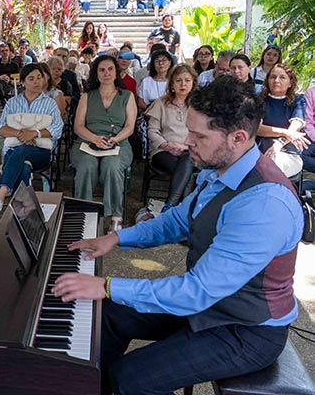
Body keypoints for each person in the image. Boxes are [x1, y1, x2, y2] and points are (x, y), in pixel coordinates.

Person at [54, 76, 301, 395]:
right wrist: (115, 238)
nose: (187, 141)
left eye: (199, 135)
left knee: (129, 378)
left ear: (238, 137)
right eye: (189, 131)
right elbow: (175, 222)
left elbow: (198, 290)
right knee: (108, 314)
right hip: (209, 306)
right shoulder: (220, 170)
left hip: (244, 330)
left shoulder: (265, 203)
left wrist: (107, 285)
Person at [0, 63, 63, 217]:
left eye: (39, 77)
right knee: (23, 166)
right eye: (31, 79)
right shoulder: (13, 102)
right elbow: (0, 129)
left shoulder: (49, 103)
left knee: (21, 151)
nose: (37, 81)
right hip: (16, 152)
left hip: (40, 153)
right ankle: (24, 209)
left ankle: (0, 195)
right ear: (23, 82)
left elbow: (58, 128)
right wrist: (22, 134)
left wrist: (35, 133)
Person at [70, 55, 136, 231]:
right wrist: (94, 139)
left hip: (118, 142)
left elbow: (130, 127)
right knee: (86, 165)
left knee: (111, 165)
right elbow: (78, 126)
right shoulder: (87, 96)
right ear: (96, 73)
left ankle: (115, 216)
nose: (106, 73)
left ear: (116, 72)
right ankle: (84, 213)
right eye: (102, 70)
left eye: (110, 69)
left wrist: (114, 139)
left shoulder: (127, 96)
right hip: (87, 141)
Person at [146, 64, 198, 212]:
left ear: (193, 84)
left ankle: (170, 206)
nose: (183, 84)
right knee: (187, 172)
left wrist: (185, 147)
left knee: (187, 160)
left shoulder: (198, 106)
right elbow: (152, 131)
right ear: (172, 84)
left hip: (190, 151)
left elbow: (203, 135)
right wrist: (167, 145)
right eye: (178, 80)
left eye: (187, 80)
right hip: (163, 151)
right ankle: (182, 210)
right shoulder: (161, 103)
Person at [257, 64, 308, 178]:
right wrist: (286, 132)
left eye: (282, 77)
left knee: (275, 163)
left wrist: (279, 143)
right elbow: (257, 129)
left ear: (290, 83)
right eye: (273, 77)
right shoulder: (259, 101)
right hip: (260, 150)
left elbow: (295, 127)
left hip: (289, 152)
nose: (276, 80)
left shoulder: (298, 101)